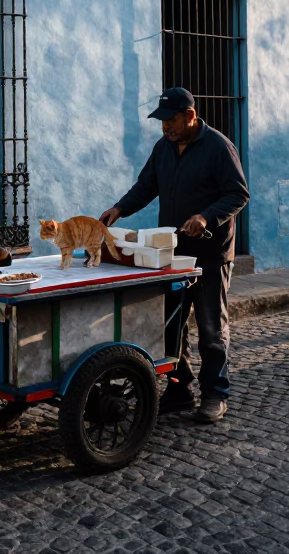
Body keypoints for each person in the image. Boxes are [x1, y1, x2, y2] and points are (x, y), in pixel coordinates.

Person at [100, 87, 249, 423]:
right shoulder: (163, 148)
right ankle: (180, 390)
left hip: (210, 255)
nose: (165, 126)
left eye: (171, 120)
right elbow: (146, 185)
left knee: (211, 328)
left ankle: (215, 394)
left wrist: (206, 217)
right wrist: (119, 208)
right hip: (171, 255)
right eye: (162, 121)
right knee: (170, 327)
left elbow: (238, 194)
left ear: (190, 116)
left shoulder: (219, 147)